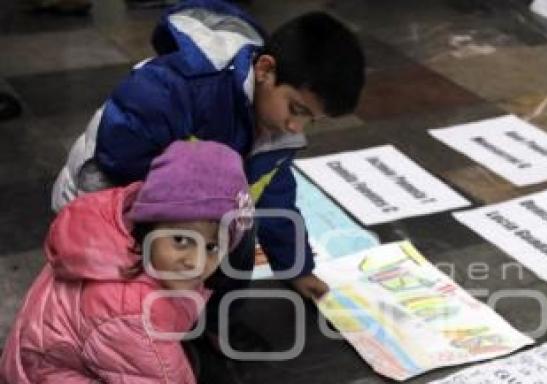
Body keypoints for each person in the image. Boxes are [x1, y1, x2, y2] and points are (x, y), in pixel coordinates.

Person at [51, 1, 366, 346]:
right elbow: (119, 158)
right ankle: (144, 337)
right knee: (129, 296)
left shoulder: (276, 128)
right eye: (295, 109)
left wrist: (297, 267)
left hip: (192, 207)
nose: (295, 126)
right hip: (109, 198)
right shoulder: (179, 85)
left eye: (311, 119)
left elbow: (276, 197)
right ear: (265, 69)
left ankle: (215, 321)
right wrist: (190, 223)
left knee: (240, 227)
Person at [0, 140, 253, 384]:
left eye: (212, 247)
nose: (195, 261)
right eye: (181, 240)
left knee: (179, 367)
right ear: (150, 225)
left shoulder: (117, 228)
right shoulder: (130, 311)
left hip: (40, 378)